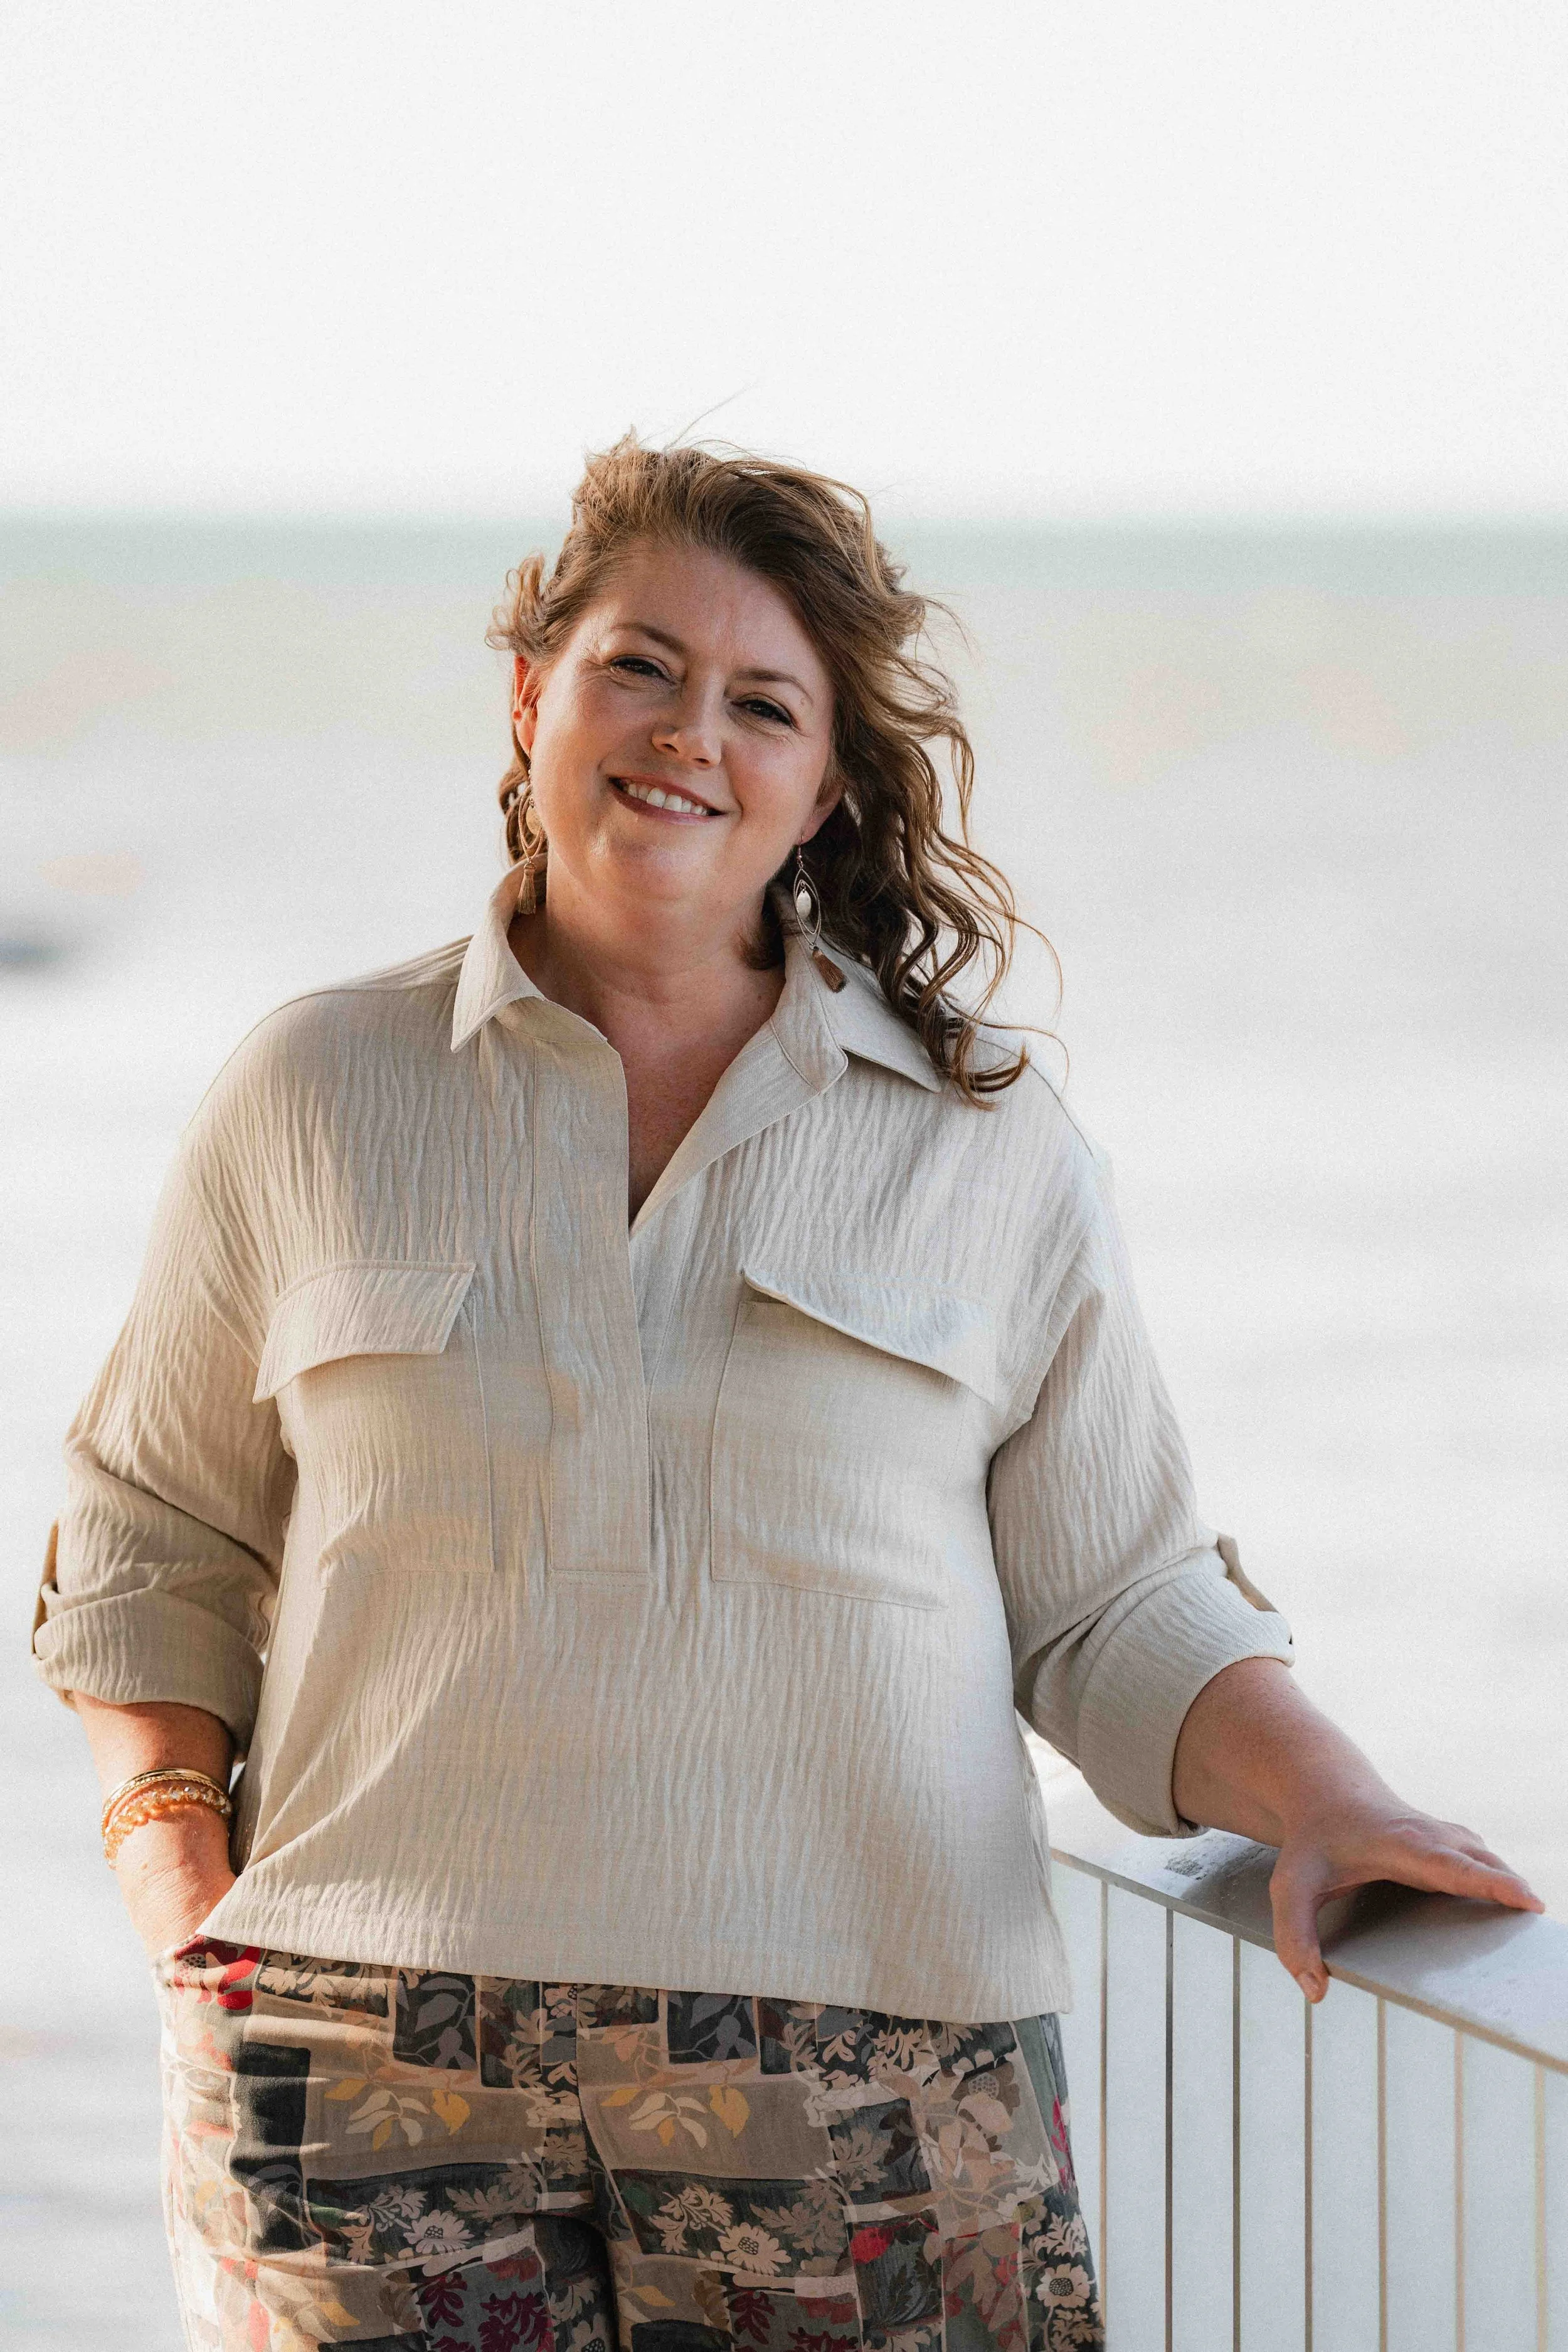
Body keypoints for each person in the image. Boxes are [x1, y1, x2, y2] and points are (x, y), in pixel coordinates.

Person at [33, 437, 1539, 2352]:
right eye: (636, 666)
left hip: (867, 2077)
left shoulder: (983, 1146)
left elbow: (1111, 1602)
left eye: (763, 703)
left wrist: (1332, 1801)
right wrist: (183, 1886)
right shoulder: (315, 1089)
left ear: (824, 782)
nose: (686, 734)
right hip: (356, 2070)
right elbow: (152, 1528)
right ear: (533, 693)